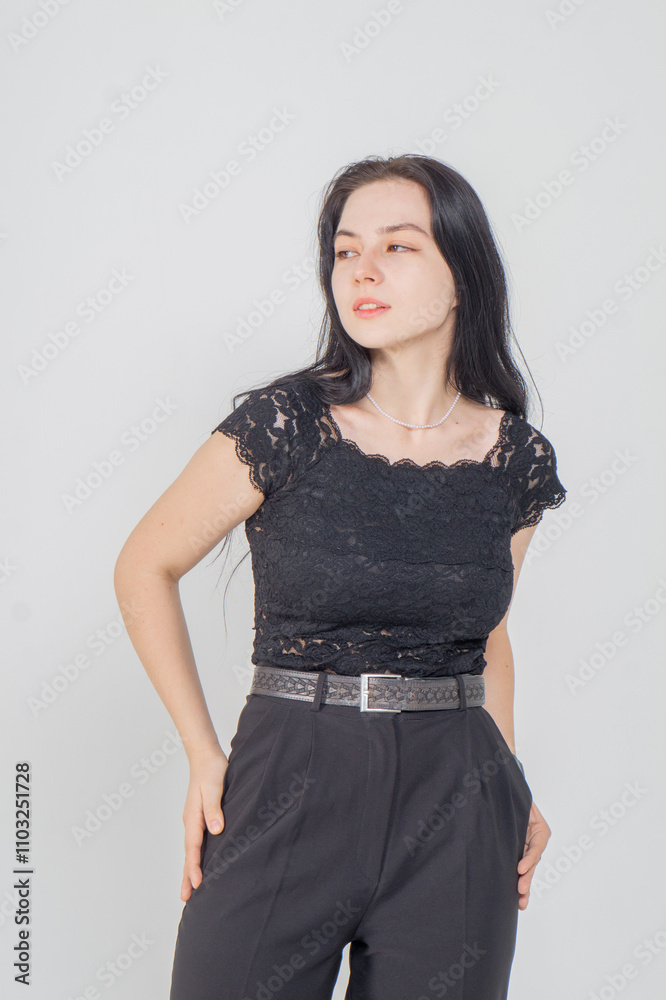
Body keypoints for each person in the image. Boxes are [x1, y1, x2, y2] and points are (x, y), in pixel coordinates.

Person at [113, 153, 567, 1000]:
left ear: (463, 275)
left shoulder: (515, 458)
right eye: (346, 249)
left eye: (398, 246)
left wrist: (509, 780)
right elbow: (145, 565)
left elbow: (489, 635)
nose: (362, 269)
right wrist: (203, 753)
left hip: (460, 794)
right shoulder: (286, 423)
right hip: (290, 770)